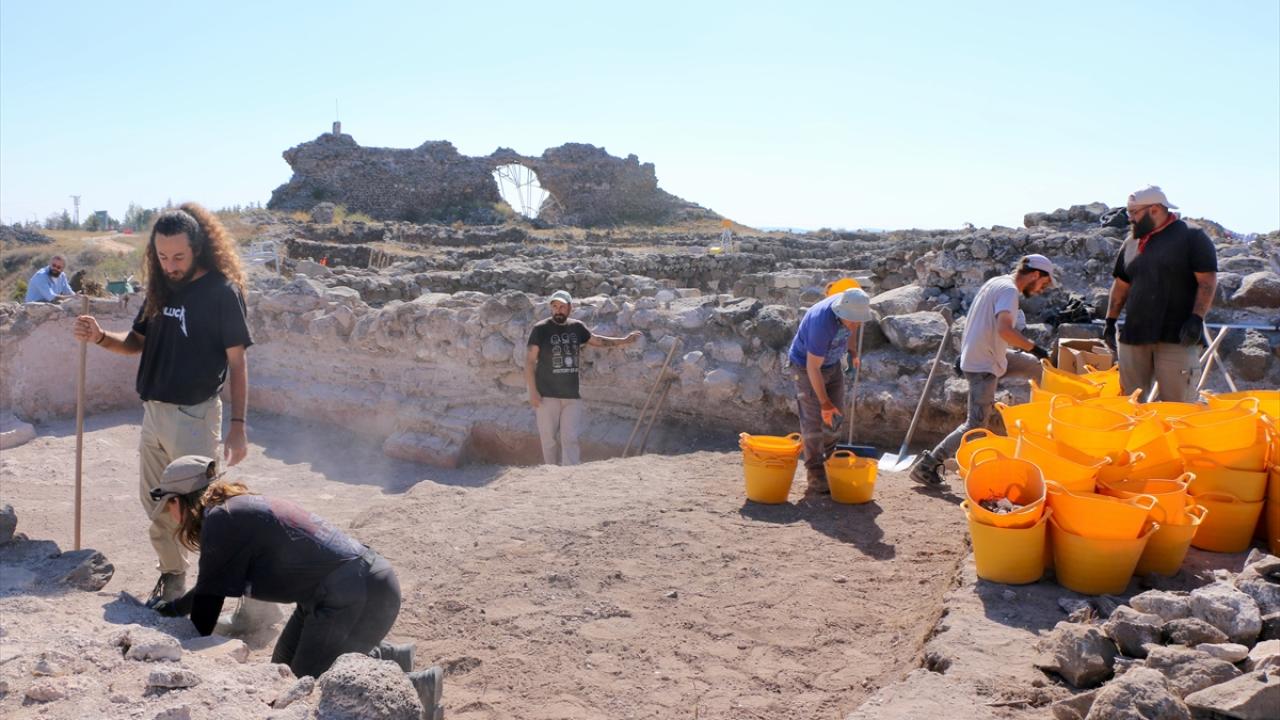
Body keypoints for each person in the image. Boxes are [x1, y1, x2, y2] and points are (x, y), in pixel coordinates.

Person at [148, 456, 443, 714]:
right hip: (344, 590)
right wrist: (172, 610)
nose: (169, 516)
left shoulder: (220, 519)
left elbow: (206, 611)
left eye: (168, 506)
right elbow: (209, 587)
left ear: (179, 501)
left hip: (355, 594)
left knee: (304, 691)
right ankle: (394, 656)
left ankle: (420, 688)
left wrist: (180, 652)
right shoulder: (228, 511)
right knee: (281, 671)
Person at [72, 204, 252, 605]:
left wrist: (238, 426)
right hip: (153, 412)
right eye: (162, 256)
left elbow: (238, 363)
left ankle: (236, 591)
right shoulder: (161, 287)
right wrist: (99, 336)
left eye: (178, 257)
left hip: (194, 416)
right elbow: (136, 342)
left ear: (198, 249)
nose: (170, 266)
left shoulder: (222, 292)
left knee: (200, 508)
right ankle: (173, 581)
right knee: (156, 503)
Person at [910, 255, 1057, 486]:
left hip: (989, 356)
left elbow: (977, 319)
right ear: (1036, 274)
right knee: (975, 425)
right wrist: (1036, 348)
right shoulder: (1008, 291)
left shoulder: (996, 282)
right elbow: (1004, 330)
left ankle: (1046, 425)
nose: (1041, 290)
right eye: (1043, 284)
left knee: (1037, 367)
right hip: (982, 365)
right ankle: (927, 465)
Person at [1103, 185, 1217, 402]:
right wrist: (1110, 321)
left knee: (1178, 406)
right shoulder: (1131, 242)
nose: (1129, 218)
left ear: (1154, 209)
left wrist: (1196, 319)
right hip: (1134, 336)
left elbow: (1207, 282)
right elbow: (1121, 285)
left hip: (1178, 337)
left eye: (1134, 212)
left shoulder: (1191, 236)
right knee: (1131, 404)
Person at [525, 290, 642, 465]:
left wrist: (624, 340)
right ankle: (550, 474)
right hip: (547, 395)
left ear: (569, 308)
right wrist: (532, 392)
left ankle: (570, 473)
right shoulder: (540, 329)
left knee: (570, 439)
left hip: (572, 396)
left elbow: (597, 340)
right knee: (548, 440)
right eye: (555, 306)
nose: (558, 310)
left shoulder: (577, 327)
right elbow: (529, 362)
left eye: (562, 307)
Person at [786, 287, 872, 494]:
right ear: (841, 312)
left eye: (858, 320)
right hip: (805, 368)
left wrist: (852, 351)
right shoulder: (821, 324)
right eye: (852, 320)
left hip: (831, 364)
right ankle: (815, 474)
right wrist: (824, 402)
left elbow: (853, 326)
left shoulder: (851, 306)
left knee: (835, 416)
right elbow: (812, 367)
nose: (855, 324)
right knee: (814, 421)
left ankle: (830, 464)